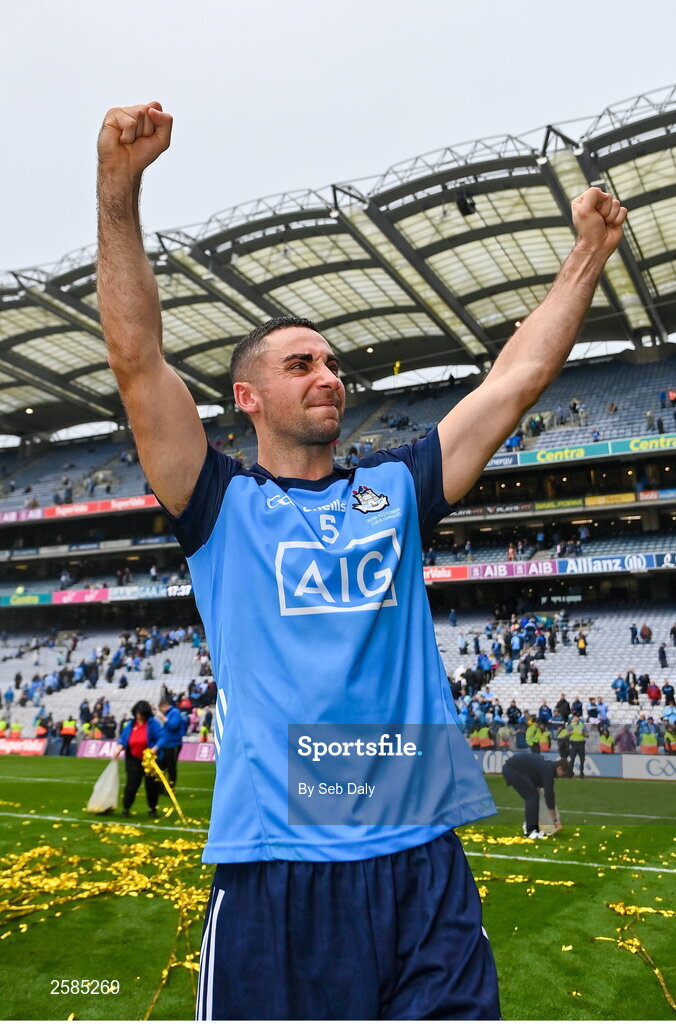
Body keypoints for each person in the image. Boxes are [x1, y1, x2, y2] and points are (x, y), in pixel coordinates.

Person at [96, 98, 627, 1022]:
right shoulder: (219, 502)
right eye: (302, 363)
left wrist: (587, 252)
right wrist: (118, 191)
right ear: (248, 396)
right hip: (277, 870)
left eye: (332, 362)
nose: (328, 374)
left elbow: (514, 380)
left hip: (424, 864)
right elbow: (137, 359)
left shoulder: (396, 492)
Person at [501, 752, 571, 839]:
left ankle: (533, 826)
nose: (561, 777)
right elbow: (549, 796)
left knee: (534, 795)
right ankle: (530, 831)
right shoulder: (548, 770)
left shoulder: (549, 767)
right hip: (512, 770)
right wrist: (555, 820)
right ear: (559, 769)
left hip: (517, 770)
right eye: (563, 774)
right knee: (531, 797)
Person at [114, 700, 163, 817]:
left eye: (141, 714)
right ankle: (126, 808)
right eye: (137, 713)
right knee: (131, 784)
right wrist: (118, 749)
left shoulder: (153, 724)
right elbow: (123, 739)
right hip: (133, 759)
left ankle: (152, 808)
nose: (139, 716)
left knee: (151, 786)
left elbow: (161, 738)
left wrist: (155, 749)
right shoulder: (131, 724)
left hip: (149, 760)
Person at [155, 697, 186, 789]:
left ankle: (171, 787)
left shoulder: (175, 713)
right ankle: (161, 787)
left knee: (171, 766)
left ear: (163, 706)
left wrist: (163, 718)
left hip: (173, 744)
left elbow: (173, 726)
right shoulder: (170, 713)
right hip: (165, 744)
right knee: (161, 765)